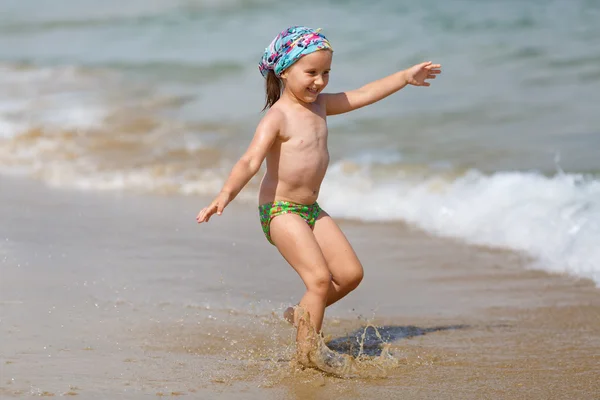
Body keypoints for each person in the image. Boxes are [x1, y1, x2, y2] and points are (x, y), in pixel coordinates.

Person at [196, 25, 441, 370]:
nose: (320, 81)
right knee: (319, 279)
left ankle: (302, 314)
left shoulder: (323, 106)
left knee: (350, 274)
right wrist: (224, 195)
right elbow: (249, 160)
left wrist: (405, 76)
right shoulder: (277, 117)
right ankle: (307, 356)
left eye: (326, 72)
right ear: (284, 71)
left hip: (310, 209)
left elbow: (365, 93)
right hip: (280, 211)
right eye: (311, 72)